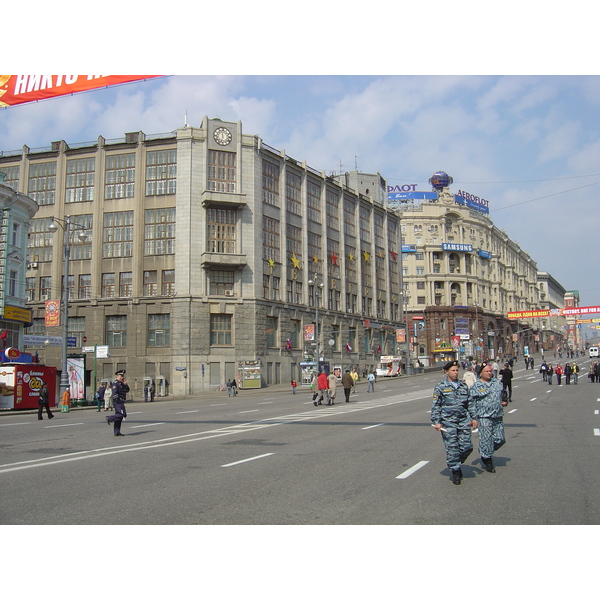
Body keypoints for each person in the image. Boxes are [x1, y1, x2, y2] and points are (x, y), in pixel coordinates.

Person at [431, 360, 478, 485]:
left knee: (467, 447)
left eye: (457, 370)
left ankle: (456, 462)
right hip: (448, 423)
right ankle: (455, 471)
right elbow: (436, 405)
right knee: (452, 448)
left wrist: (474, 418)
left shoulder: (463, 386)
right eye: (453, 370)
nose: (456, 373)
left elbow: (470, 403)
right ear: (447, 372)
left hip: (463, 421)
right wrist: (437, 422)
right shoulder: (441, 387)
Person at [470, 361, 508, 473]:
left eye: (490, 371)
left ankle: (485, 449)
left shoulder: (496, 382)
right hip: (484, 416)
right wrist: (473, 418)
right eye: (486, 371)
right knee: (486, 439)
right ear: (481, 373)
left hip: (497, 415)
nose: (489, 373)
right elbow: (471, 403)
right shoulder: (476, 386)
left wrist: (504, 400)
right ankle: (487, 459)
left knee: (500, 439)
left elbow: (503, 393)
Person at [106, 370, 129, 436]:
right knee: (122, 414)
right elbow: (114, 393)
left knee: (119, 416)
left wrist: (125, 384)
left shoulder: (121, 383)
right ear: (117, 376)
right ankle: (109, 418)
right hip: (118, 402)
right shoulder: (115, 383)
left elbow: (127, 390)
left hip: (121, 401)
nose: (122, 377)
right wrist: (117, 401)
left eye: (123, 376)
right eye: (121, 376)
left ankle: (117, 431)